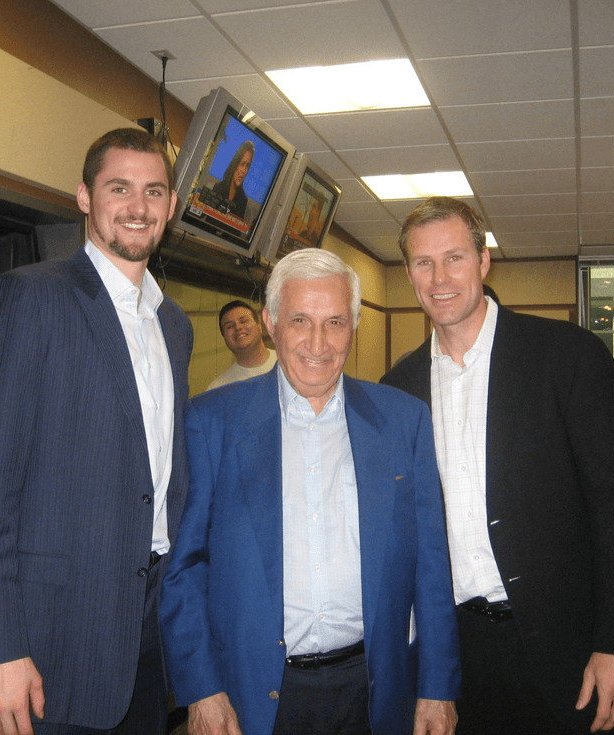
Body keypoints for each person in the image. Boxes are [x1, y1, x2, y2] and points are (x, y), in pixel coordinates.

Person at [0, 127, 194, 735]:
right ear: (85, 197)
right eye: (119, 188)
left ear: (170, 205)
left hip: (146, 635)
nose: (138, 207)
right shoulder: (28, 299)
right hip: (43, 643)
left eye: (153, 191)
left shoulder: (173, 325)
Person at [381, 196, 614, 735]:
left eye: (455, 258)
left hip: (570, 650)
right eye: (423, 263)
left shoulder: (568, 356)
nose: (439, 278)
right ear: (409, 274)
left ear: (484, 261)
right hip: (457, 654)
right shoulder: (398, 389)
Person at [161, 248, 460, 735]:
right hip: (253, 695)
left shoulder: (404, 421)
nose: (318, 343)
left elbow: (431, 565)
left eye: (335, 322)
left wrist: (438, 686)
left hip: (375, 690)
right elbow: (184, 569)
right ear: (271, 322)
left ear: (354, 325)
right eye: (300, 320)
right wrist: (200, 689)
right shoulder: (212, 422)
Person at [206, 300, 277, 391]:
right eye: (229, 326)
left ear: (259, 326)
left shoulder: (289, 362)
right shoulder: (218, 389)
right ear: (224, 337)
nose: (238, 327)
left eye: (243, 321)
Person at [211, 140, 253, 218]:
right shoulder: (218, 187)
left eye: (247, 166)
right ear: (235, 164)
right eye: (242, 164)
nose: (244, 170)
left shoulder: (243, 200)